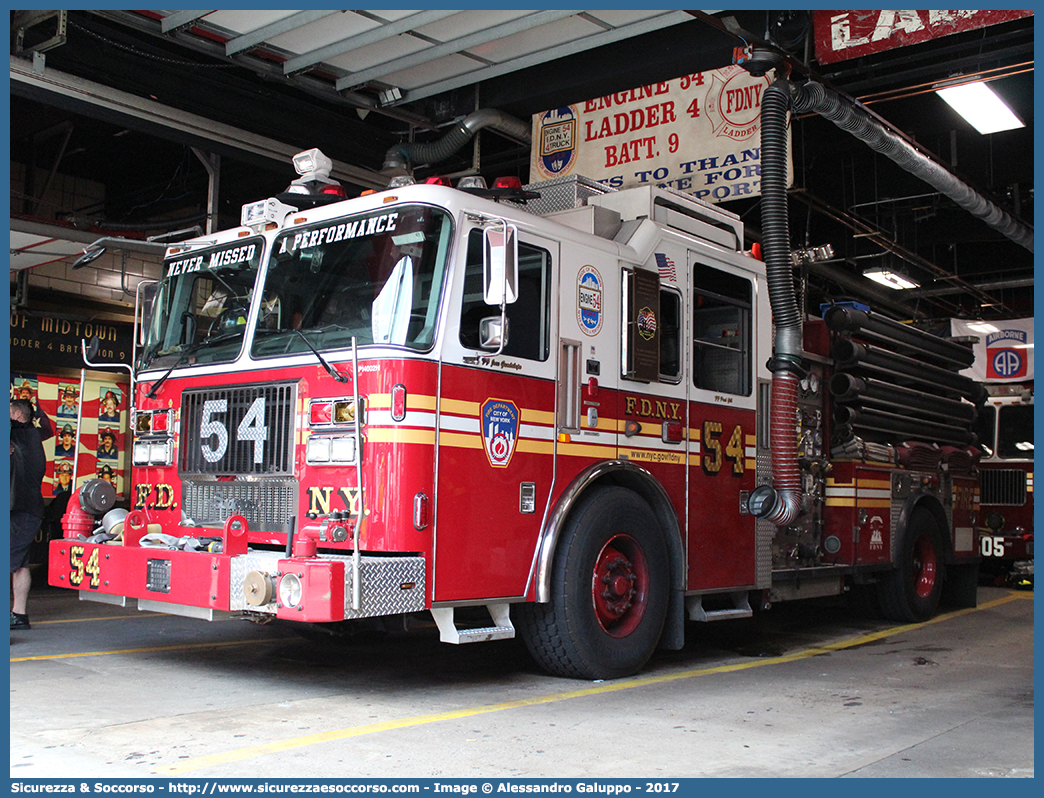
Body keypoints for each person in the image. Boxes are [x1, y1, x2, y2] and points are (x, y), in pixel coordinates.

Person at [10, 398, 52, 631]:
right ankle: (19, 615)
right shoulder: (34, 435)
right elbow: (46, 427)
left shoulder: (19, 436)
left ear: (16, 415)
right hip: (28, 509)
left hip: (20, 509)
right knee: (20, 564)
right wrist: (37, 406)